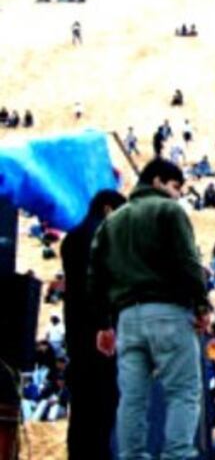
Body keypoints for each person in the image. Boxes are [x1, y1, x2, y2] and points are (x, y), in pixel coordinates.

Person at [88, 158, 210, 460]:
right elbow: (187, 261)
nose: (178, 194)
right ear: (157, 181)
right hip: (169, 312)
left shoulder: (112, 221)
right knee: (183, 391)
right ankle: (177, 454)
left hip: (127, 319)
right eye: (175, 186)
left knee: (132, 399)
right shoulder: (169, 210)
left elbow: (95, 277)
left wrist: (104, 325)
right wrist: (202, 304)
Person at [61, 189, 127, 460]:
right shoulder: (101, 237)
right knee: (102, 411)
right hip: (101, 337)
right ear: (109, 209)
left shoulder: (72, 238)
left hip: (77, 336)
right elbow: (98, 285)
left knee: (82, 414)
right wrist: (105, 323)